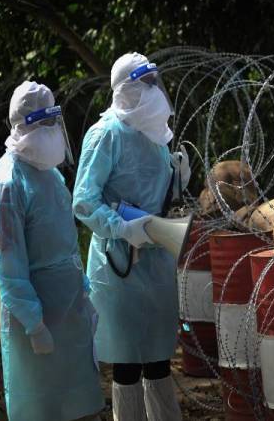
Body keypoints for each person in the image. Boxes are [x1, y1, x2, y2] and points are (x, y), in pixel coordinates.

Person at [73, 52, 190, 421]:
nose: (153, 91)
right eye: (144, 84)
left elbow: (160, 192)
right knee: (127, 364)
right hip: (118, 264)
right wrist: (120, 227)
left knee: (157, 359)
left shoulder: (155, 132)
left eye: (155, 83)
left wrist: (178, 177)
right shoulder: (106, 133)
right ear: (125, 89)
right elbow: (85, 200)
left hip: (155, 257)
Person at [0, 81, 104, 420]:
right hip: (36, 318)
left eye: (52, 121)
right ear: (23, 124)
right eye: (41, 122)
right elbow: (9, 265)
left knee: (78, 405)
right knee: (42, 408)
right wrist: (33, 324)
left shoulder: (50, 174)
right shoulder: (9, 182)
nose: (50, 131)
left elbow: (66, 243)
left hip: (69, 310)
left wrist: (84, 294)